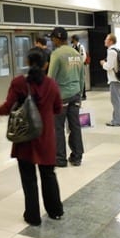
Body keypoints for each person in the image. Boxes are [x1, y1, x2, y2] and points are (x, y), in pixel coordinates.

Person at [0, 48, 63, 226]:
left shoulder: (19, 82)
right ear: (46, 64)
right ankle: (55, 211)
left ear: (27, 61)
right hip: (45, 137)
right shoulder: (51, 84)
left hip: (25, 138)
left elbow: (8, 106)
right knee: (48, 175)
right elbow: (57, 109)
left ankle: (33, 216)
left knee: (28, 178)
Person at [47, 27, 84, 167]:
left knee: (58, 128)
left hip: (60, 97)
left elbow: (51, 79)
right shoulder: (76, 53)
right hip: (75, 95)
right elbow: (81, 78)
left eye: (52, 38)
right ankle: (77, 156)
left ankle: (60, 159)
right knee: (75, 126)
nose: (52, 40)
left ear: (57, 39)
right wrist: (79, 95)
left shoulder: (57, 54)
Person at [100, 33, 120, 126]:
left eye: (106, 39)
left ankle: (117, 121)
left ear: (110, 41)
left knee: (115, 101)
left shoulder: (111, 51)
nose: (104, 41)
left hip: (114, 79)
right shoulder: (118, 50)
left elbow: (109, 66)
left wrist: (103, 63)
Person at [71, 34, 87, 100]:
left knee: (82, 79)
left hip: (80, 65)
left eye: (72, 39)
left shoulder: (81, 46)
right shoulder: (72, 47)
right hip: (74, 66)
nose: (71, 40)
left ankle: (83, 94)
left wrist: (80, 64)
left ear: (75, 40)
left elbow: (84, 56)